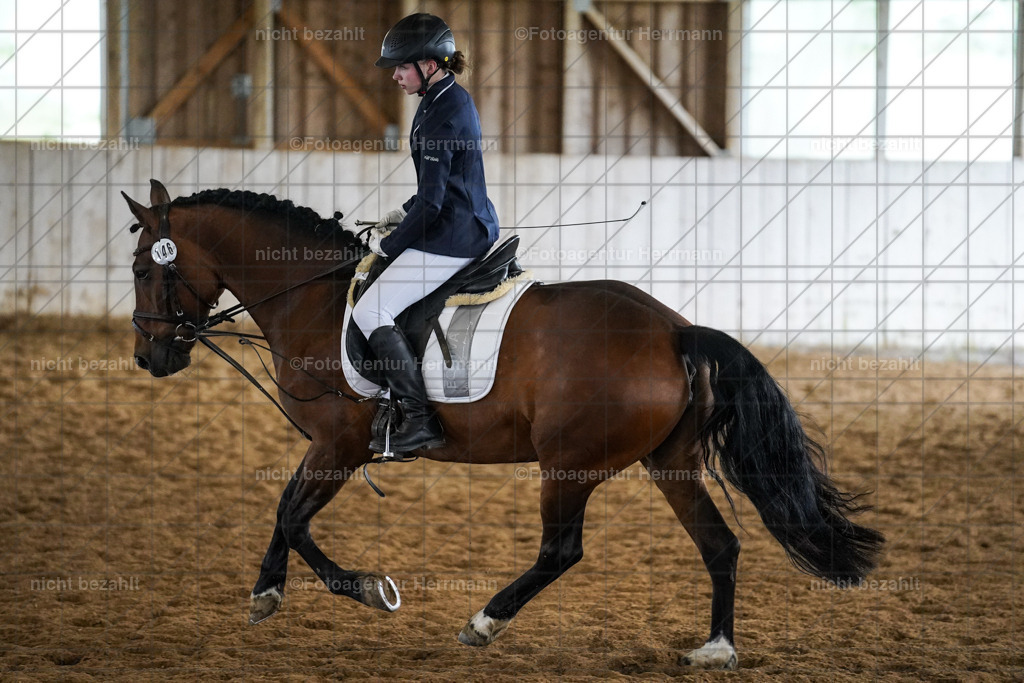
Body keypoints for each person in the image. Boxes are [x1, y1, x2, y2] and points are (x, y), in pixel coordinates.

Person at [352, 13, 500, 453]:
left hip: (452, 236)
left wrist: (389, 244)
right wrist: (402, 211)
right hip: (458, 219)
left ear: (430, 64)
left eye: (402, 66)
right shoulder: (441, 98)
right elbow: (436, 189)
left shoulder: (442, 113)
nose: (395, 75)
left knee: (370, 312)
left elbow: (434, 205)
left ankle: (418, 419)